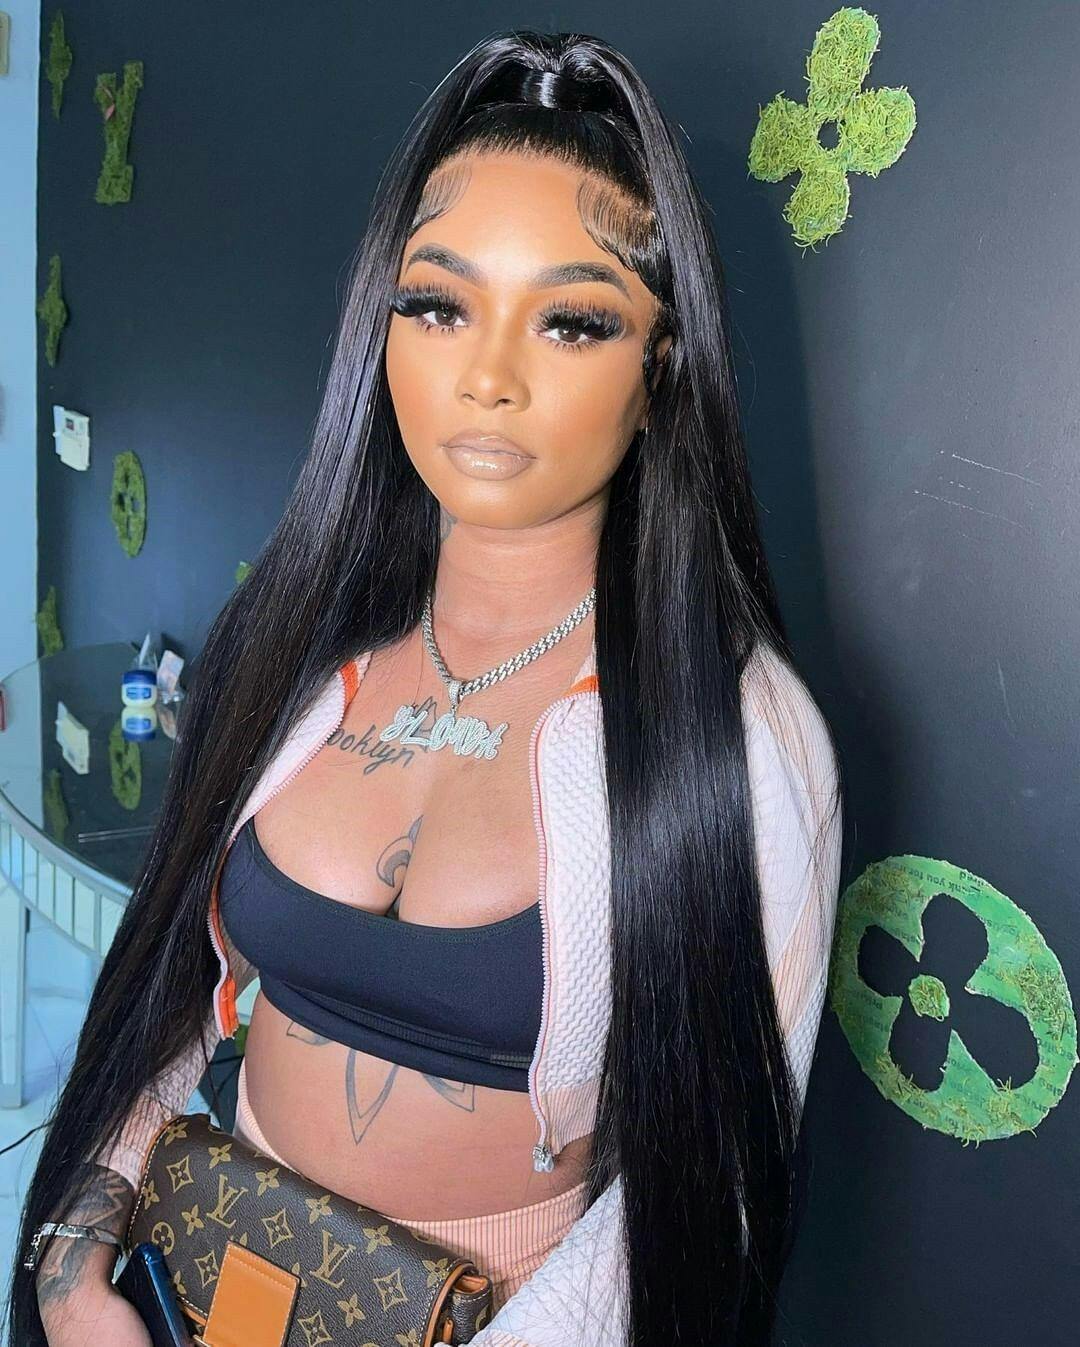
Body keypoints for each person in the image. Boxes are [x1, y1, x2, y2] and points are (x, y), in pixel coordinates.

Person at [12, 28, 844, 1347]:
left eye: (573, 321)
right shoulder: (290, 652)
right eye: (439, 305)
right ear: (381, 326)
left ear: (663, 366)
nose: (488, 377)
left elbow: (710, 1191)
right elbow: (164, 999)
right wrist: (73, 1267)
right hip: (199, 1289)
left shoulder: (735, 736)